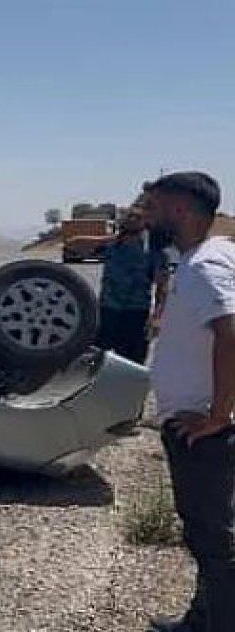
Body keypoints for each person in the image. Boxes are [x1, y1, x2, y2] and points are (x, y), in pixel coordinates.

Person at [140, 171, 235, 632]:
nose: (144, 215)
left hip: (206, 431)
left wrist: (219, 413)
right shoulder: (211, 256)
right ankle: (205, 617)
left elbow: (229, 332)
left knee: (212, 535)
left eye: (152, 207)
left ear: (180, 210)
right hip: (202, 422)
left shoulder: (204, 268)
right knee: (210, 532)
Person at [95, 199, 169, 365]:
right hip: (107, 311)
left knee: (132, 364)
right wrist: (108, 238)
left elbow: (162, 287)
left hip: (136, 313)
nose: (132, 220)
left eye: (137, 217)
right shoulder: (111, 246)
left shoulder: (155, 252)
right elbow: (75, 243)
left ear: (146, 223)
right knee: (96, 363)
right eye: (128, 216)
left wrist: (157, 317)